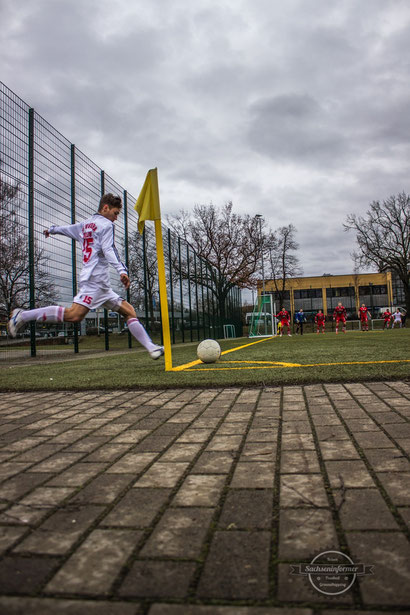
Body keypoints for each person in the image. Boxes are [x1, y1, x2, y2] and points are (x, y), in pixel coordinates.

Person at [8, 193, 164, 360]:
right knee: (74, 315)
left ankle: (152, 348)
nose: (116, 218)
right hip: (93, 282)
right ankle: (22, 316)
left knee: (130, 312)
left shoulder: (85, 225)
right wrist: (121, 270)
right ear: (105, 208)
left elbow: (67, 229)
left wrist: (52, 230)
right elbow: (109, 249)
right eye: (116, 213)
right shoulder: (106, 225)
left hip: (102, 286)